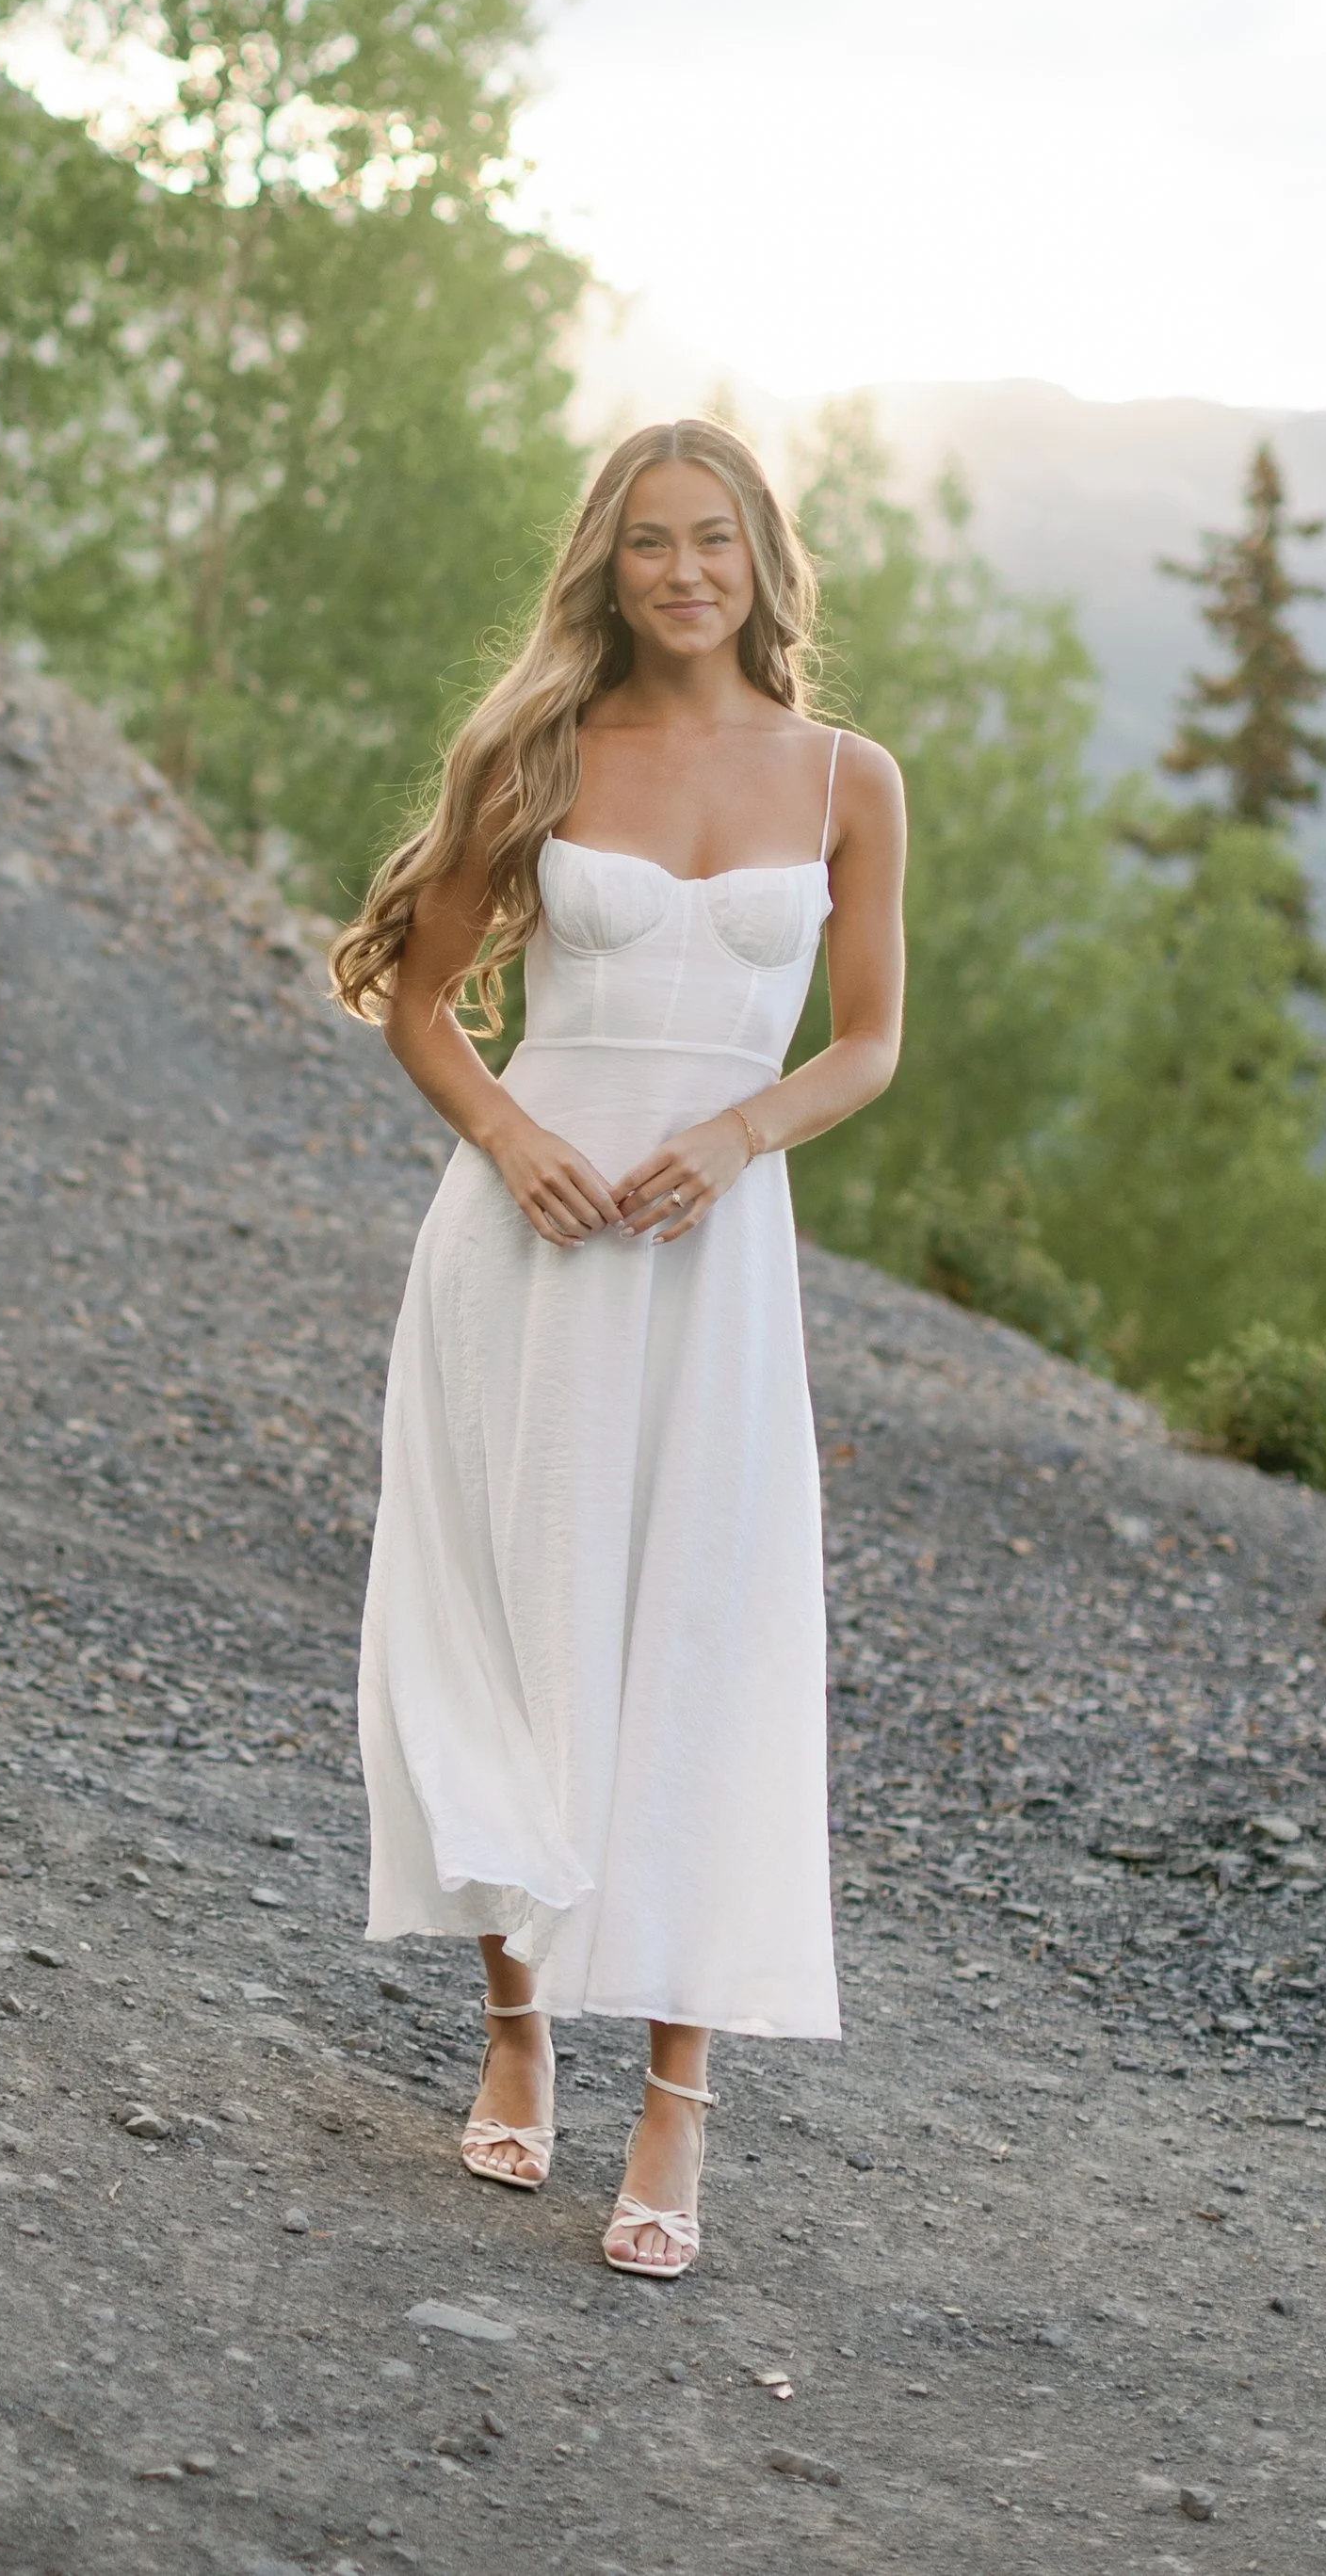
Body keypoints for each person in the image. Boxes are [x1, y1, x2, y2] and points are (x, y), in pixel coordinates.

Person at [330, 418, 905, 2278]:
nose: (681, 572)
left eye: (711, 538)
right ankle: (514, 2017)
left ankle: (676, 2091)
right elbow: (422, 1003)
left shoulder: (847, 778)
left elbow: (867, 1039)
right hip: (531, 1236)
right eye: (648, 541)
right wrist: (510, 1137)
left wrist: (740, 1134)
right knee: (521, 1623)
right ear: (605, 561)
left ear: (762, 559)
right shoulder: (539, 747)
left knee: (698, 1638)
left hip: (714, 1257)